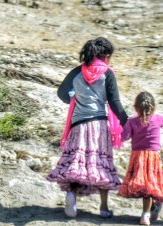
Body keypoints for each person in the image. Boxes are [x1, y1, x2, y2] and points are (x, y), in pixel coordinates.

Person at [47, 37, 128, 218]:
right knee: (101, 163)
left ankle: (71, 196)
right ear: (106, 56)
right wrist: (125, 121)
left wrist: (74, 101)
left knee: (78, 163)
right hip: (99, 125)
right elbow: (114, 102)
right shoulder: (107, 73)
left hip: (77, 125)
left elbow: (61, 92)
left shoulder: (77, 71)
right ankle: (104, 208)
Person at [118, 91, 163, 226]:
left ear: (135, 107)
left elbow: (124, 137)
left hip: (138, 158)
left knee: (145, 187)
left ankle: (146, 214)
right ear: (153, 107)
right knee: (150, 185)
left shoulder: (131, 121)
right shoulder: (158, 118)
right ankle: (150, 210)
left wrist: (117, 128)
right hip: (153, 158)